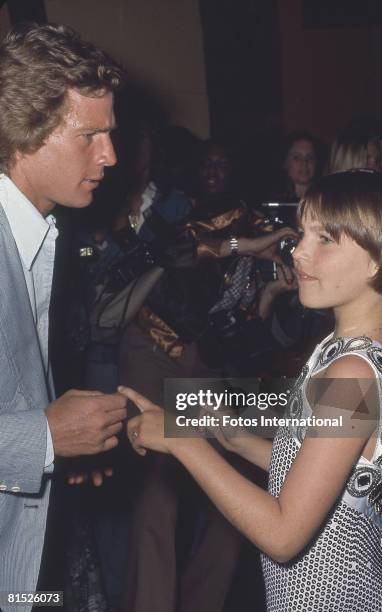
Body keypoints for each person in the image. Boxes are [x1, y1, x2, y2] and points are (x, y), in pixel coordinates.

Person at [123, 170, 382, 611]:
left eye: (325, 239)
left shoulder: (353, 372)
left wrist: (181, 445)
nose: (298, 251)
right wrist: (236, 439)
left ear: (379, 259)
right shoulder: (351, 350)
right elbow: (323, 473)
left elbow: (283, 535)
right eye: (303, 234)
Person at [0, 22, 127, 607]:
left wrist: (54, 454)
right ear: (26, 132)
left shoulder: (43, 236)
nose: (111, 156)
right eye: (90, 136)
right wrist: (46, 438)